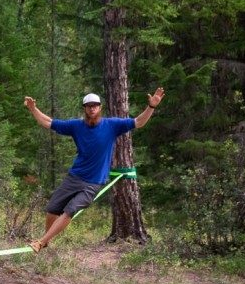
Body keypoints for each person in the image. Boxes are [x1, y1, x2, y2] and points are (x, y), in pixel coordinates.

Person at [24, 88, 165, 253]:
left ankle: (41, 242)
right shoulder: (76, 126)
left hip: (93, 183)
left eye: (95, 105)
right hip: (74, 177)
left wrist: (151, 107)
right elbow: (48, 122)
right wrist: (33, 109)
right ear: (84, 108)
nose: (92, 108)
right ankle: (45, 242)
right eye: (88, 106)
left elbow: (139, 122)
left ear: (100, 107)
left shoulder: (112, 125)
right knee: (52, 210)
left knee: (70, 210)